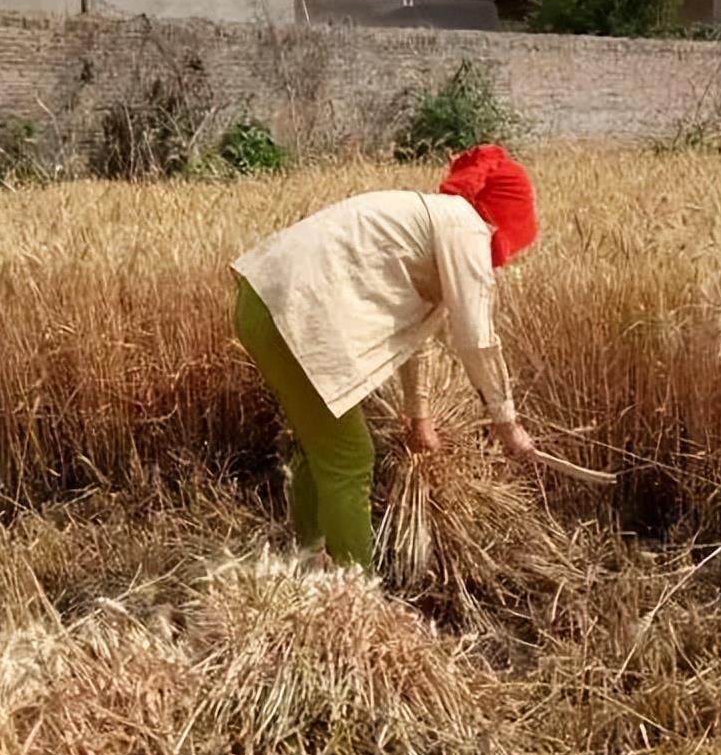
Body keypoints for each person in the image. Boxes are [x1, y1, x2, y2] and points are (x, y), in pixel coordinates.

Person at [230, 144, 538, 571]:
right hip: (291, 312)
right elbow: (475, 339)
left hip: (263, 303)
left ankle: (307, 558)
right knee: (350, 456)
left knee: (323, 445)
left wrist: (420, 417)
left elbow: (412, 334)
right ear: (505, 216)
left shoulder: (434, 221)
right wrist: (507, 424)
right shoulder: (465, 229)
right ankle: (355, 591)